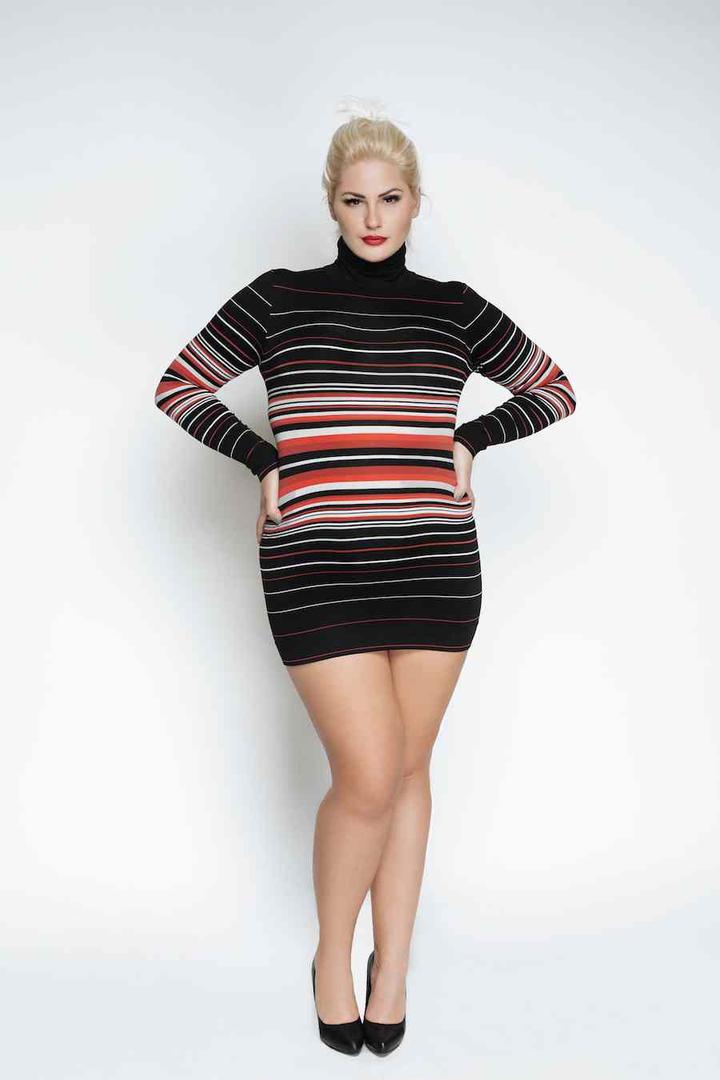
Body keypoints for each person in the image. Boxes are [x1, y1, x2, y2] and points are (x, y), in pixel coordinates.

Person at [153, 113, 577, 1056]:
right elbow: (180, 386)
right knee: (370, 774)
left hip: (434, 567)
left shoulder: (453, 308)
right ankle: (333, 959)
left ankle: (395, 968)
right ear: (332, 205)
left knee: (410, 772)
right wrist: (260, 456)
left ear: (417, 203)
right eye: (355, 200)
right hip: (316, 568)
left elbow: (552, 387)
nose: (373, 217)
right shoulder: (279, 298)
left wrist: (472, 438)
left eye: (390, 198)